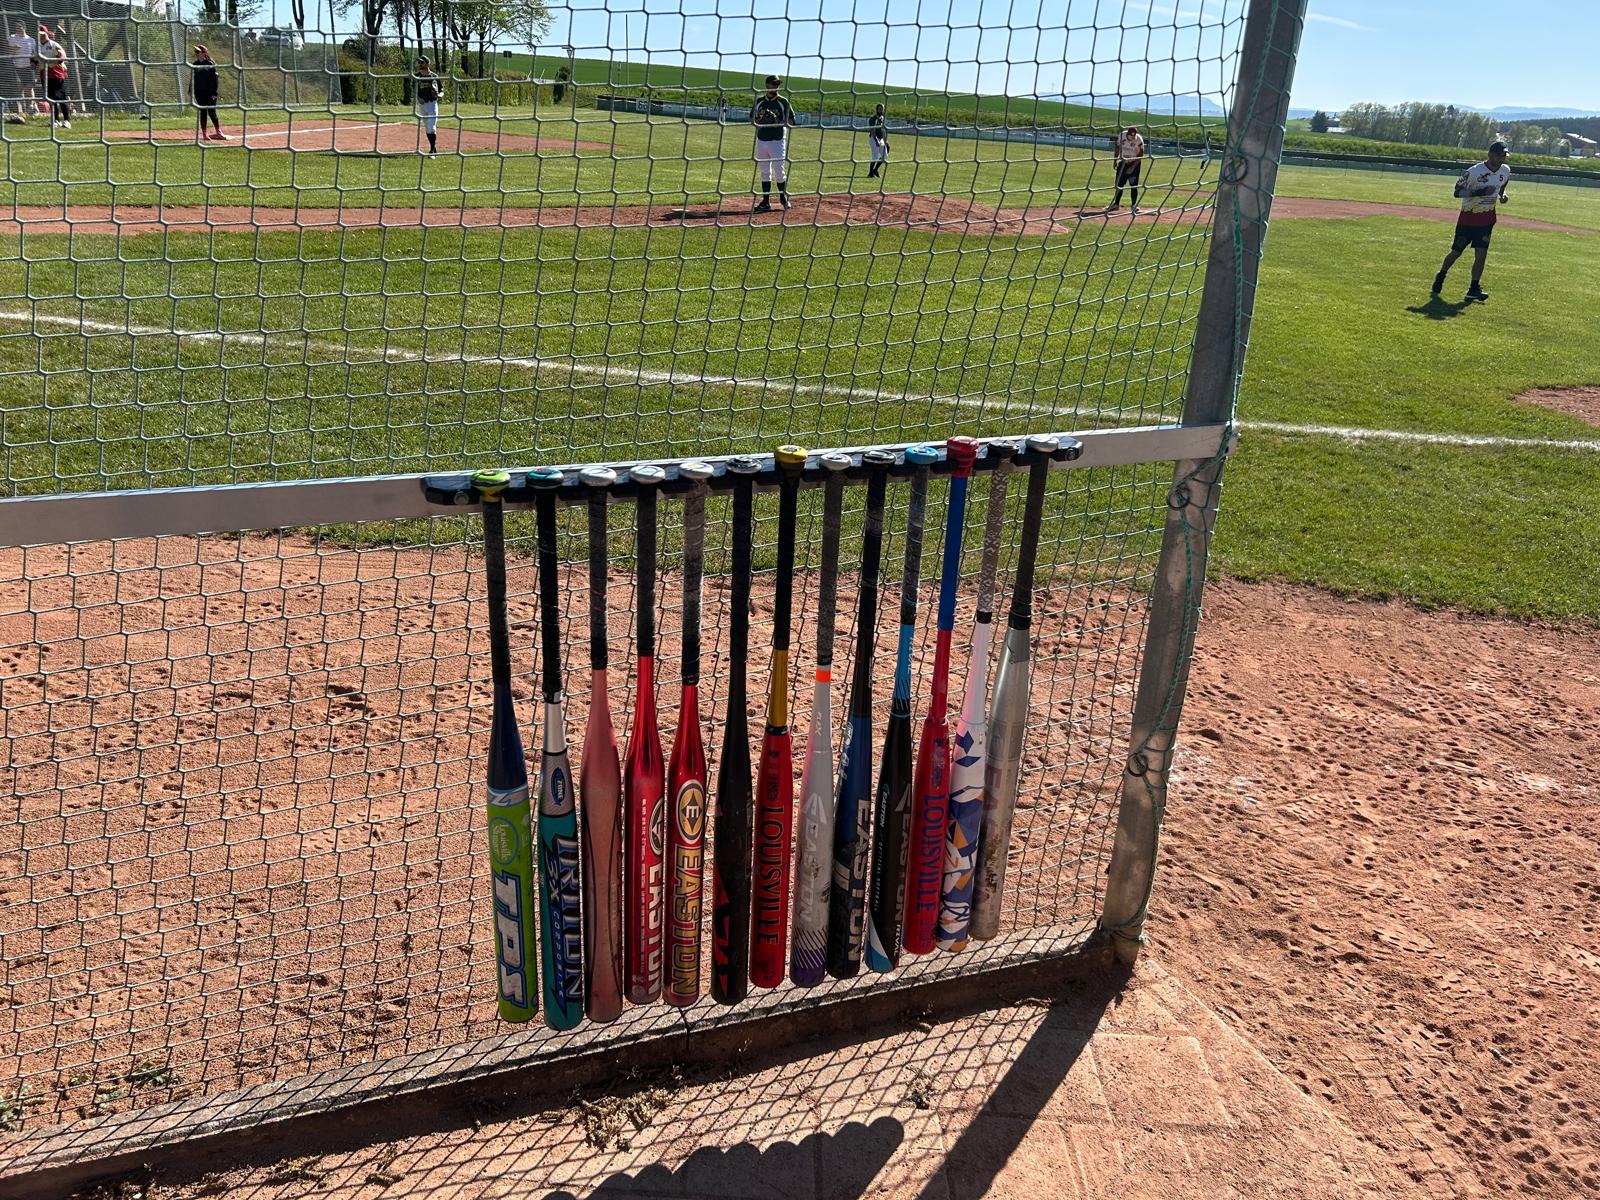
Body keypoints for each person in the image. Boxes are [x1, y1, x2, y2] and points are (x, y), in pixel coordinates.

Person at [1433, 140, 1511, 302]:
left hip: (1487, 219)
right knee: (1456, 252)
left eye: (1503, 156)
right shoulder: (1473, 172)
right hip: (1468, 219)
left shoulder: (1505, 170)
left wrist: (1502, 196)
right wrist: (1480, 192)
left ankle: (1473, 288)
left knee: (1481, 254)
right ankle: (1441, 274)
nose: (1501, 159)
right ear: (1490, 155)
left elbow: (1502, 186)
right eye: (1498, 155)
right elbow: (1457, 192)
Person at [749, 74, 795, 212]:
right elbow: (751, 119)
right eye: (774, 84)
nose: (776, 87)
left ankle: (782, 197)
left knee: (779, 171)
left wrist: (777, 121)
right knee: (765, 172)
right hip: (762, 140)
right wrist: (760, 121)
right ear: (767, 85)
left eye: (777, 84)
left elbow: (792, 122)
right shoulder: (759, 101)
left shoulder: (783, 102)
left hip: (777, 141)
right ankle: (766, 201)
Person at [36, 25, 69, 128]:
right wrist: (33, 63)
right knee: (50, 98)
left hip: (56, 74)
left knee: (60, 97)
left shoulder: (53, 45)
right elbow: (34, 59)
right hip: (44, 75)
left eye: (43, 35)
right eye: (39, 35)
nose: (41, 37)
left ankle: (67, 120)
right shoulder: (37, 47)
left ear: (47, 34)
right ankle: (56, 120)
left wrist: (49, 63)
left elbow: (61, 58)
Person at [191, 45, 226, 141]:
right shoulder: (195, 64)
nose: (196, 53)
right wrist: (191, 89)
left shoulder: (210, 64)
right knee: (203, 112)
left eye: (198, 52)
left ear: (204, 53)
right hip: (199, 91)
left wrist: (214, 93)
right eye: (196, 52)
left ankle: (218, 132)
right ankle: (204, 134)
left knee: (211, 112)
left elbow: (215, 80)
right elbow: (194, 78)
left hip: (209, 92)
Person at [1108, 125, 1145, 213]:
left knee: (1133, 185)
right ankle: (1116, 204)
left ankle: (1134, 205)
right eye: (1130, 137)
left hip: (1134, 163)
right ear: (1127, 134)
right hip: (1123, 162)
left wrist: (1132, 167)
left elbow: (1140, 155)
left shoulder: (1139, 139)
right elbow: (1117, 147)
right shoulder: (1122, 136)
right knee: (1119, 184)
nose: (1132, 139)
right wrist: (1115, 160)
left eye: (1133, 137)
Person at [7, 22, 37, 123]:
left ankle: (31, 106)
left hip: (28, 67)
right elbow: (9, 52)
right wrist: (15, 49)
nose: (17, 29)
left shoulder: (31, 40)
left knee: (29, 87)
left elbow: (34, 54)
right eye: (16, 27)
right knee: (19, 87)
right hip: (17, 66)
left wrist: (34, 65)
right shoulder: (12, 37)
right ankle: (20, 112)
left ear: (24, 27)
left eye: (19, 27)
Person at [415, 57, 440, 156]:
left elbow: (441, 90)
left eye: (422, 62)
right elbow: (414, 89)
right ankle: (434, 148)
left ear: (427, 64)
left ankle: (432, 151)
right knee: (427, 128)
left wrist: (438, 95)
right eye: (419, 63)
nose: (420, 64)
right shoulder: (417, 76)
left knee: (431, 128)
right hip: (422, 105)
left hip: (432, 104)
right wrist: (418, 97)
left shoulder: (434, 76)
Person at [866, 103, 889, 179]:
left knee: (885, 156)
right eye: (880, 109)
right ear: (876, 110)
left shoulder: (882, 118)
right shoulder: (873, 119)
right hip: (873, 138)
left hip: (881, 139)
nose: (881, 111)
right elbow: (872, 130)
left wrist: (885, 141)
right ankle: (870, 173)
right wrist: (876, 140)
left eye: (882, 109)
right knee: (875, 156)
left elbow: (883, 130)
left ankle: (875, 170)